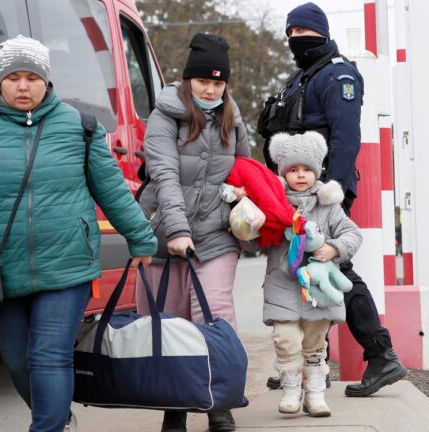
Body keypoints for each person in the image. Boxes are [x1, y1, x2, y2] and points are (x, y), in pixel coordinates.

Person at [0, 35, 157, 432]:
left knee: (49, 355)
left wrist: (142, 238)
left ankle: (48, 427)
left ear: (47, 80)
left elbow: (111, 190)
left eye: (31, 77)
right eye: (13, 77)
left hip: (68, 263)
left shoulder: (81, 127)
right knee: (17, 360)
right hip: (4, 271)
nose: (22, 86)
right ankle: (58, 418)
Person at [257, 2, 408, 397]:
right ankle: (314, 365)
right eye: (290, 34)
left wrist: (334, 192)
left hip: (324, 193)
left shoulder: (337, 74)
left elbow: (346, 138)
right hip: (298, 194)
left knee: (336, 268)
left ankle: (381, 353)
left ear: (320, 33)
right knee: (302, 273)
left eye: (302, 33)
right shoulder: (303, 76)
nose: (295, 40)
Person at [137, 33, 250, 432]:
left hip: (217, 233)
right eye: (204, 81)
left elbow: (244, 170)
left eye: (219, 83)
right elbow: (164, 174)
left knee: (215, 314)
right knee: (170, 320)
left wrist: (244, 204)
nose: (211, 89)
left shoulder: (232, 118)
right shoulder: (164, 114)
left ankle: (221, 401)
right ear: (188, 80)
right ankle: (176, 404)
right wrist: (177, 229)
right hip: (165, 229)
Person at [262, 131, 362, 417]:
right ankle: (292, 390)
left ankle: (316, 395)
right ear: (283, 172)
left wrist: (333, 248)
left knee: (315, 344)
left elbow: (352, 233)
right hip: (282, 284)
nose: (301, 175)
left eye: (307, 169)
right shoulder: (274, 202)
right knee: (285, 339)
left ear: (317, 170)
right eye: (293, 170)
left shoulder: (328, 204)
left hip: (318, 290)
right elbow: (255, 239)